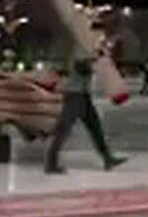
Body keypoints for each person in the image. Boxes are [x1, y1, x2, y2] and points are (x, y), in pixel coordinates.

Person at [45, 45, 128, 175]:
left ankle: (107, 158)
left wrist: (101, 60)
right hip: (74, 95)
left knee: (95, 127)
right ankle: (51, 163)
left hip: (83, 95)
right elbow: (82, 66)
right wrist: (97, 61)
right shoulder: (80, 49)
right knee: (64, 129)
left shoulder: (88, 50)